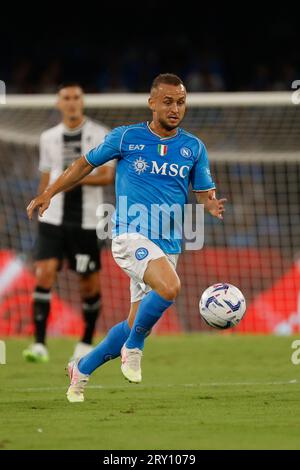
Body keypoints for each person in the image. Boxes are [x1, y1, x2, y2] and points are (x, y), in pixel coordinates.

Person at [27, 73, 226, 402]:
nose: (175, 108)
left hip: (168, 243)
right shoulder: (126, 138)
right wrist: (49, 192)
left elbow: (204, 192)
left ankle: (82, 367)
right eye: (168, 101)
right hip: (129, 235)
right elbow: (83, 164)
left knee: (135, 321)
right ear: (152, 103)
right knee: (170, 287)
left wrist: (211, 204)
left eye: (180, 102)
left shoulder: (193, 148)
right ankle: (133, 348)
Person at [23, 83, 115, 363]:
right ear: (58, 104)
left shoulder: (100, 134)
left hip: (87, 220)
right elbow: (47, 175)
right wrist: (42, 199)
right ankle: (39, 344)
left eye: (77, 97)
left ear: (82, 102)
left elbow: (107, 176)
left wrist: (72, 177)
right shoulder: (48, 137)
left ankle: (86, 340)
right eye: (67, 98)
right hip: (53, 219)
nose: (72, 102)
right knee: (44, 272)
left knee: (88, 283)